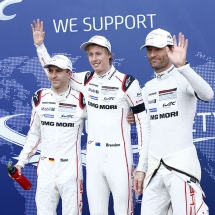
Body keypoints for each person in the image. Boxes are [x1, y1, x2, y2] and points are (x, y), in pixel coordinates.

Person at [31, 19, 149, 215]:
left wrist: (142, 166)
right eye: (90, 54)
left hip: (119, 156)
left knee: (123, 211)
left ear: (109, 55)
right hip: (93, 156)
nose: (94, 58)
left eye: (99, 53)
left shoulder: (127, 82)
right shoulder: (85, 79)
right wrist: (40, 46)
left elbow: (144, 123)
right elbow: (55, 71)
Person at [133, 28, 214, 215]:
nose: (152, 54)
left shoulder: (183, 77)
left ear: (169, 49)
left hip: (181, 169)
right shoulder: (147, 89)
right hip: (154, 169)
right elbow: (148, 132)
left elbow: (208, 95)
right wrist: (141, 167)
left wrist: (183, 66)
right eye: (149, 50)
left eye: (158, 49)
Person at [15, 55, 85, 215]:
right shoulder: (40, 97)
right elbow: (34, 134)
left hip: (70, 169)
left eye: (58, 71)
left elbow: (105, 117)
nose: (53, 75)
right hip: (46, 167)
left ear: (69, 74)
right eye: (51, 71)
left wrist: (129, 115)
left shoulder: (81, 99)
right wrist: (21, 162)